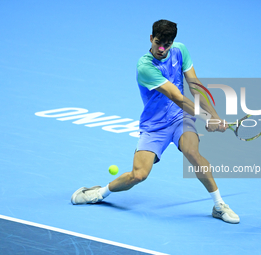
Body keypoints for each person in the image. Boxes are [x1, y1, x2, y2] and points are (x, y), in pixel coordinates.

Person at [71, 19, 240, 224]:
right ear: (151, 38)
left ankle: (219, 205)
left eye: (166, 44)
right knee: (138, 175)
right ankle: (99, 193)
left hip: (180, 118)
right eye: (158, 42)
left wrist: (215, 117)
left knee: (192, 153)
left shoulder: (180, 51)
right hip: (155, 126)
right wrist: (206, 118)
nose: (161, 48)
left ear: (172, 43)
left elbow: (195, 86)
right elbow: (176, 96)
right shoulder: (145, 67)